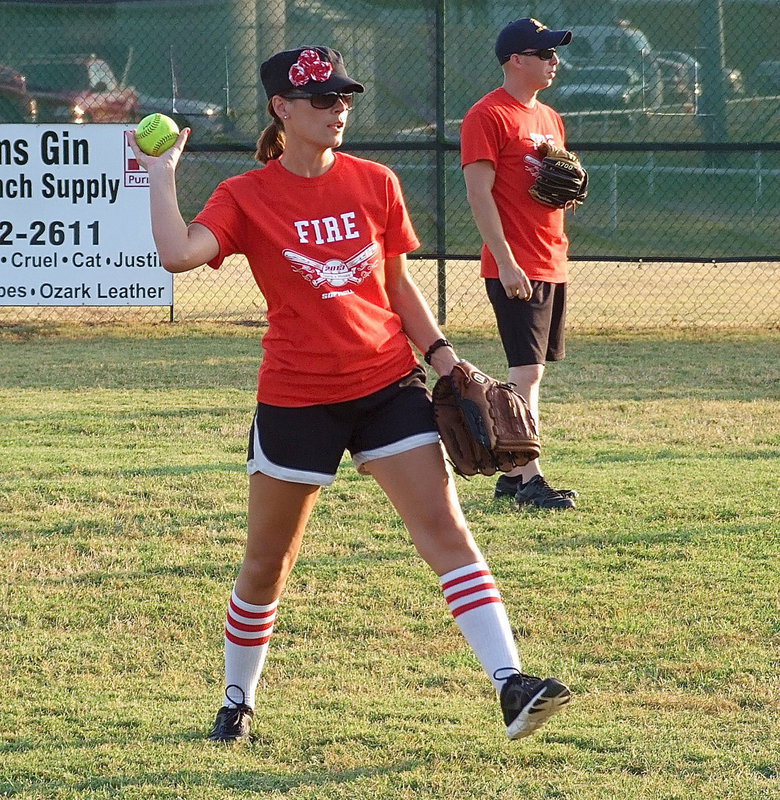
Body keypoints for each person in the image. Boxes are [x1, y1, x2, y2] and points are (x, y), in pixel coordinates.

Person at [127, 45, 571, 743]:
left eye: (343, 98)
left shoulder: (375, 182)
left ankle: (511, 683)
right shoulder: (247, 194)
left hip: (386, 384)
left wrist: (446, 359)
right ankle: (238, 697)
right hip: (297, 397)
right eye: (321, 100)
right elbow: (178, 253)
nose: (338, 110)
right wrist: (160, 176)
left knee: (448, 531)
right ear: (282, 108)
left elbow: (395, 286)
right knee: (267, 561)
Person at [461, 18, 579, 510]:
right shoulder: (487, 115)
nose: (555, 61)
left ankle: (512, 475)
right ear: (516, 60)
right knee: (525, 374)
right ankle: (530, 479)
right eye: (545, 53)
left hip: (552, 258)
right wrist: (505, 261)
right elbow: (478, 192)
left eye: (555, 54)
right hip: (517, 263)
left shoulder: (549, 117)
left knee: (532, 374)